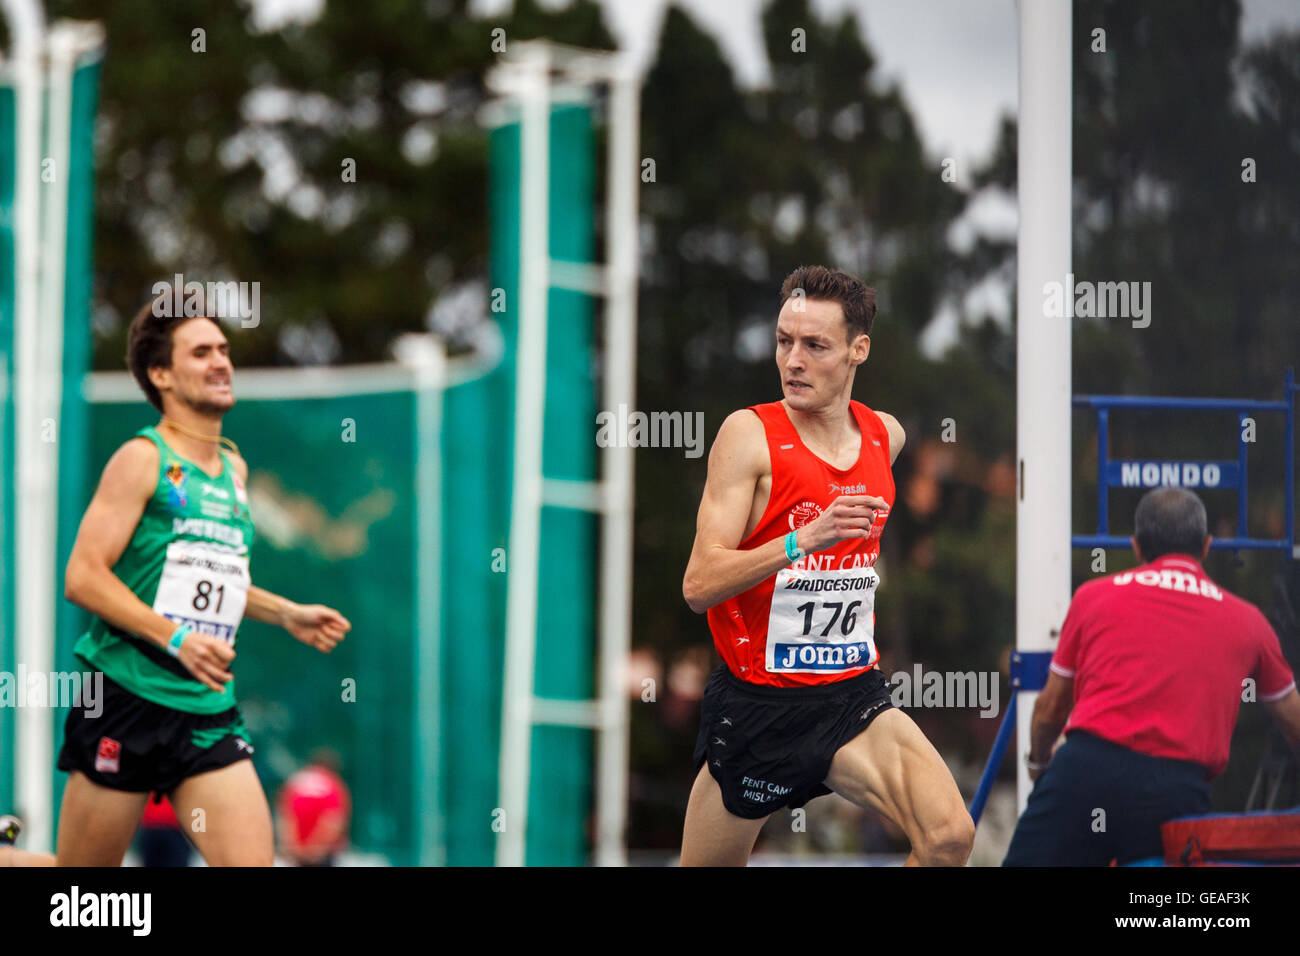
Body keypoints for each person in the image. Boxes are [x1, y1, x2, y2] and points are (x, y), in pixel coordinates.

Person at [680, 264, 974, 866]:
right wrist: (800, 541)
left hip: (849, 698)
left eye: (815, 346)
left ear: (857, 350)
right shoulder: (749, 436)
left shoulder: (884, 438)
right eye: (784, 341)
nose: (794, 361)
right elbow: (698, 584)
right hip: (757, 705)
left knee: (949, 837)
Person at [53, 295, 352, 867]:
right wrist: (176, 639)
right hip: (123, 701)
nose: (222, 362)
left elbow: (214, 576)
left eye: (224, 349)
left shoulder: (235, 470)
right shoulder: (142, 458)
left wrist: (286, 611)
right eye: (201, 352)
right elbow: (82, 577)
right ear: (161, 374)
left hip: (206, 711)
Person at [1003, 486, 1300, 866]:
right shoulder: (1249, 621)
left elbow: (1050, 708)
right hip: (1174, 789)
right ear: (1206, 546)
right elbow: (1293, 723)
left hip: (1085, 772)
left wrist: (1040, 764)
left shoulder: (1094, 597)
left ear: (1137, 546)